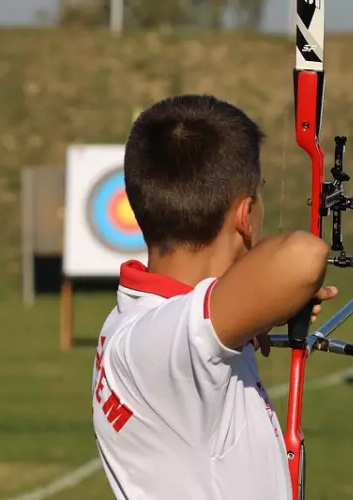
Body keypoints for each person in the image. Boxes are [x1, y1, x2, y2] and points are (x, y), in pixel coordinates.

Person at [90, 94, 337, 500]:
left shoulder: (140, 323)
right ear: (245, 216)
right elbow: (302, 256)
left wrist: (252, 310)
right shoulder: (162, 342)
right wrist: (254, 299)